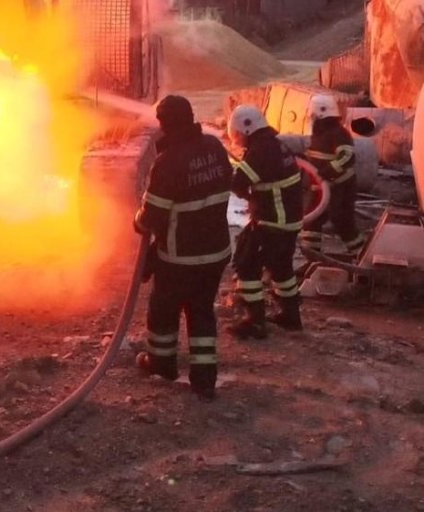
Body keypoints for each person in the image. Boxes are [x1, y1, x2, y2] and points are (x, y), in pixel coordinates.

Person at [133, 94, 232, 401]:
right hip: (215, 251)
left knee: (164, 309)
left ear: (165, 124)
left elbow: (151, 216)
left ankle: (161, 364)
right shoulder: (214, 148)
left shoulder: (168, 161)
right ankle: (204, 380)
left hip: (180, 255)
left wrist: (137, 220)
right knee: (201, 311)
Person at [228, 104, 303, 339]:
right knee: (281, 267)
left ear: (246, 129)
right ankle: (291, 316)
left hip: (272, 221)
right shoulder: (276, 145)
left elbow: (238, 182)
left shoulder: (260, 150)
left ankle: (255, 321)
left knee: (246, 262)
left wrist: (249, 197)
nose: (237, 139)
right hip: (288, 220)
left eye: (237, 134)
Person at [301, 93, 365, 253]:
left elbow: (347, 158)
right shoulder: (320, 133)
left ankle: (360, 254)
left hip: (341, 187)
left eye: (313, 115)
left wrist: (326, 172)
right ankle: (311, 256)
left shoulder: (339, 133)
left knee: (342, 221)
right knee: (312, 221)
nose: (311, 118)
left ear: (319, 113)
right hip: (321, 187)